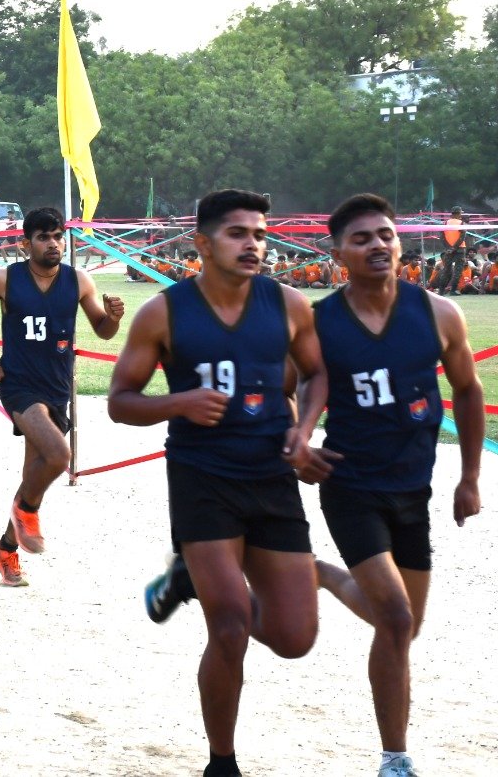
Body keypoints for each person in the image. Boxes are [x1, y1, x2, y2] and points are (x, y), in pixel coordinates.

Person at [108, 189, 328, 777]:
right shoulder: (164, 312)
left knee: (294, 636)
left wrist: (304, 430)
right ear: (202, 244)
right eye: (238, 233)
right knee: (229, 624)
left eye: (260, 233)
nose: (253, 243)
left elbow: (316, 375)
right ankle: (221, 762)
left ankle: (185, 579)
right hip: (202, 477)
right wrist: (177, 402)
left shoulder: (289, 305)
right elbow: (119, 402)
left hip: (272, 477)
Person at [288, 194, 484, 777]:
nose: (378, 245)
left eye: (386, 235)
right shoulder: (319, 323)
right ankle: (395, 761)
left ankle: (322, 574)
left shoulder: (439, 313)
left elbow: (470, 392)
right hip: (349, 485)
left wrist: (469, 476)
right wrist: (297, 443)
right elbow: (282, 388)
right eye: (362, 238)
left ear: (400, 243)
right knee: (396, 619)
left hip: (413, 488)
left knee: (400, 628)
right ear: (338, 252)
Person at [0, 207, 124, 586]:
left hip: (57, 386)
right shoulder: (4, 279)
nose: (53, 244)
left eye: (58, 236)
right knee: (59, 456)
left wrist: (113, 316)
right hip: (18, 384)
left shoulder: (79, 280)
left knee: (34, 473)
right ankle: (27, 512)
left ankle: (6, 549)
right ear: (25, 243)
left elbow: (103, 330)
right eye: (44, 237)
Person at [432, 206, 468, 296]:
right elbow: (462, 237)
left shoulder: (445, 223)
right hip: (459, 250)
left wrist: (448, 248)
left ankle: (441, 291)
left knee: (446, 270)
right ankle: (453, 290)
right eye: (460, 213)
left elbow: (442, 237)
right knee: (458, 270)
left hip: (448, 250)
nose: (461, 214)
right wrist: (454, 248)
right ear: (458, 213)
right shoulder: (461, 223)